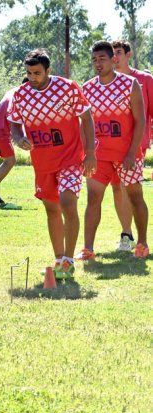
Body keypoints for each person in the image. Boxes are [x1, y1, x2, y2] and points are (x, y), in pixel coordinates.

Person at [7, 49, 96, 279]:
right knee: (52, 209)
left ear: (48, 70)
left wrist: (90, 153)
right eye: (29, 73)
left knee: (68, 203)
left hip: (70, 158)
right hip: (43, 162)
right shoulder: (21, 94)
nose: (32, 77)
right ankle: (58, 259)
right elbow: (14, 124)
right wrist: (19, 138)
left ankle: (68, 261)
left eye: (37, 73)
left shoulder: (67, 88)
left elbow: (86, 118)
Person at [78, 41, 148, 260]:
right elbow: (83, 123)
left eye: (102, 59)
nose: (98, 63)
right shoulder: (87, 88)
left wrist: (132, 153)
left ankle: (142, 244)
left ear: (113, 59)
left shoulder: (130, 84)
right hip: (99, 156)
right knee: (93, 198)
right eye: (94, 60)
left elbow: (140, 121)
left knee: (135, 197)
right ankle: (88, 249)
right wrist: (86, 154)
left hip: (127, 155)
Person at [110, 39, 153, 252]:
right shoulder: (106, 81)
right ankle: (126, 234)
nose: (115, 57)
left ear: (129, 54)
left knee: (131, 188)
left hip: (136, 144)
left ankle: (140, 239)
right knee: (117, 187)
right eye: (112, 53)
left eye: (118, 52)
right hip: (110, 145)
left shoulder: (145, 79)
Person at [0, 78, 28, 205]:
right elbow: (15, 120)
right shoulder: (19, 97)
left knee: (9, 160)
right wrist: (22, 137)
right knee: (10, 160)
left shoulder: (13, 91)